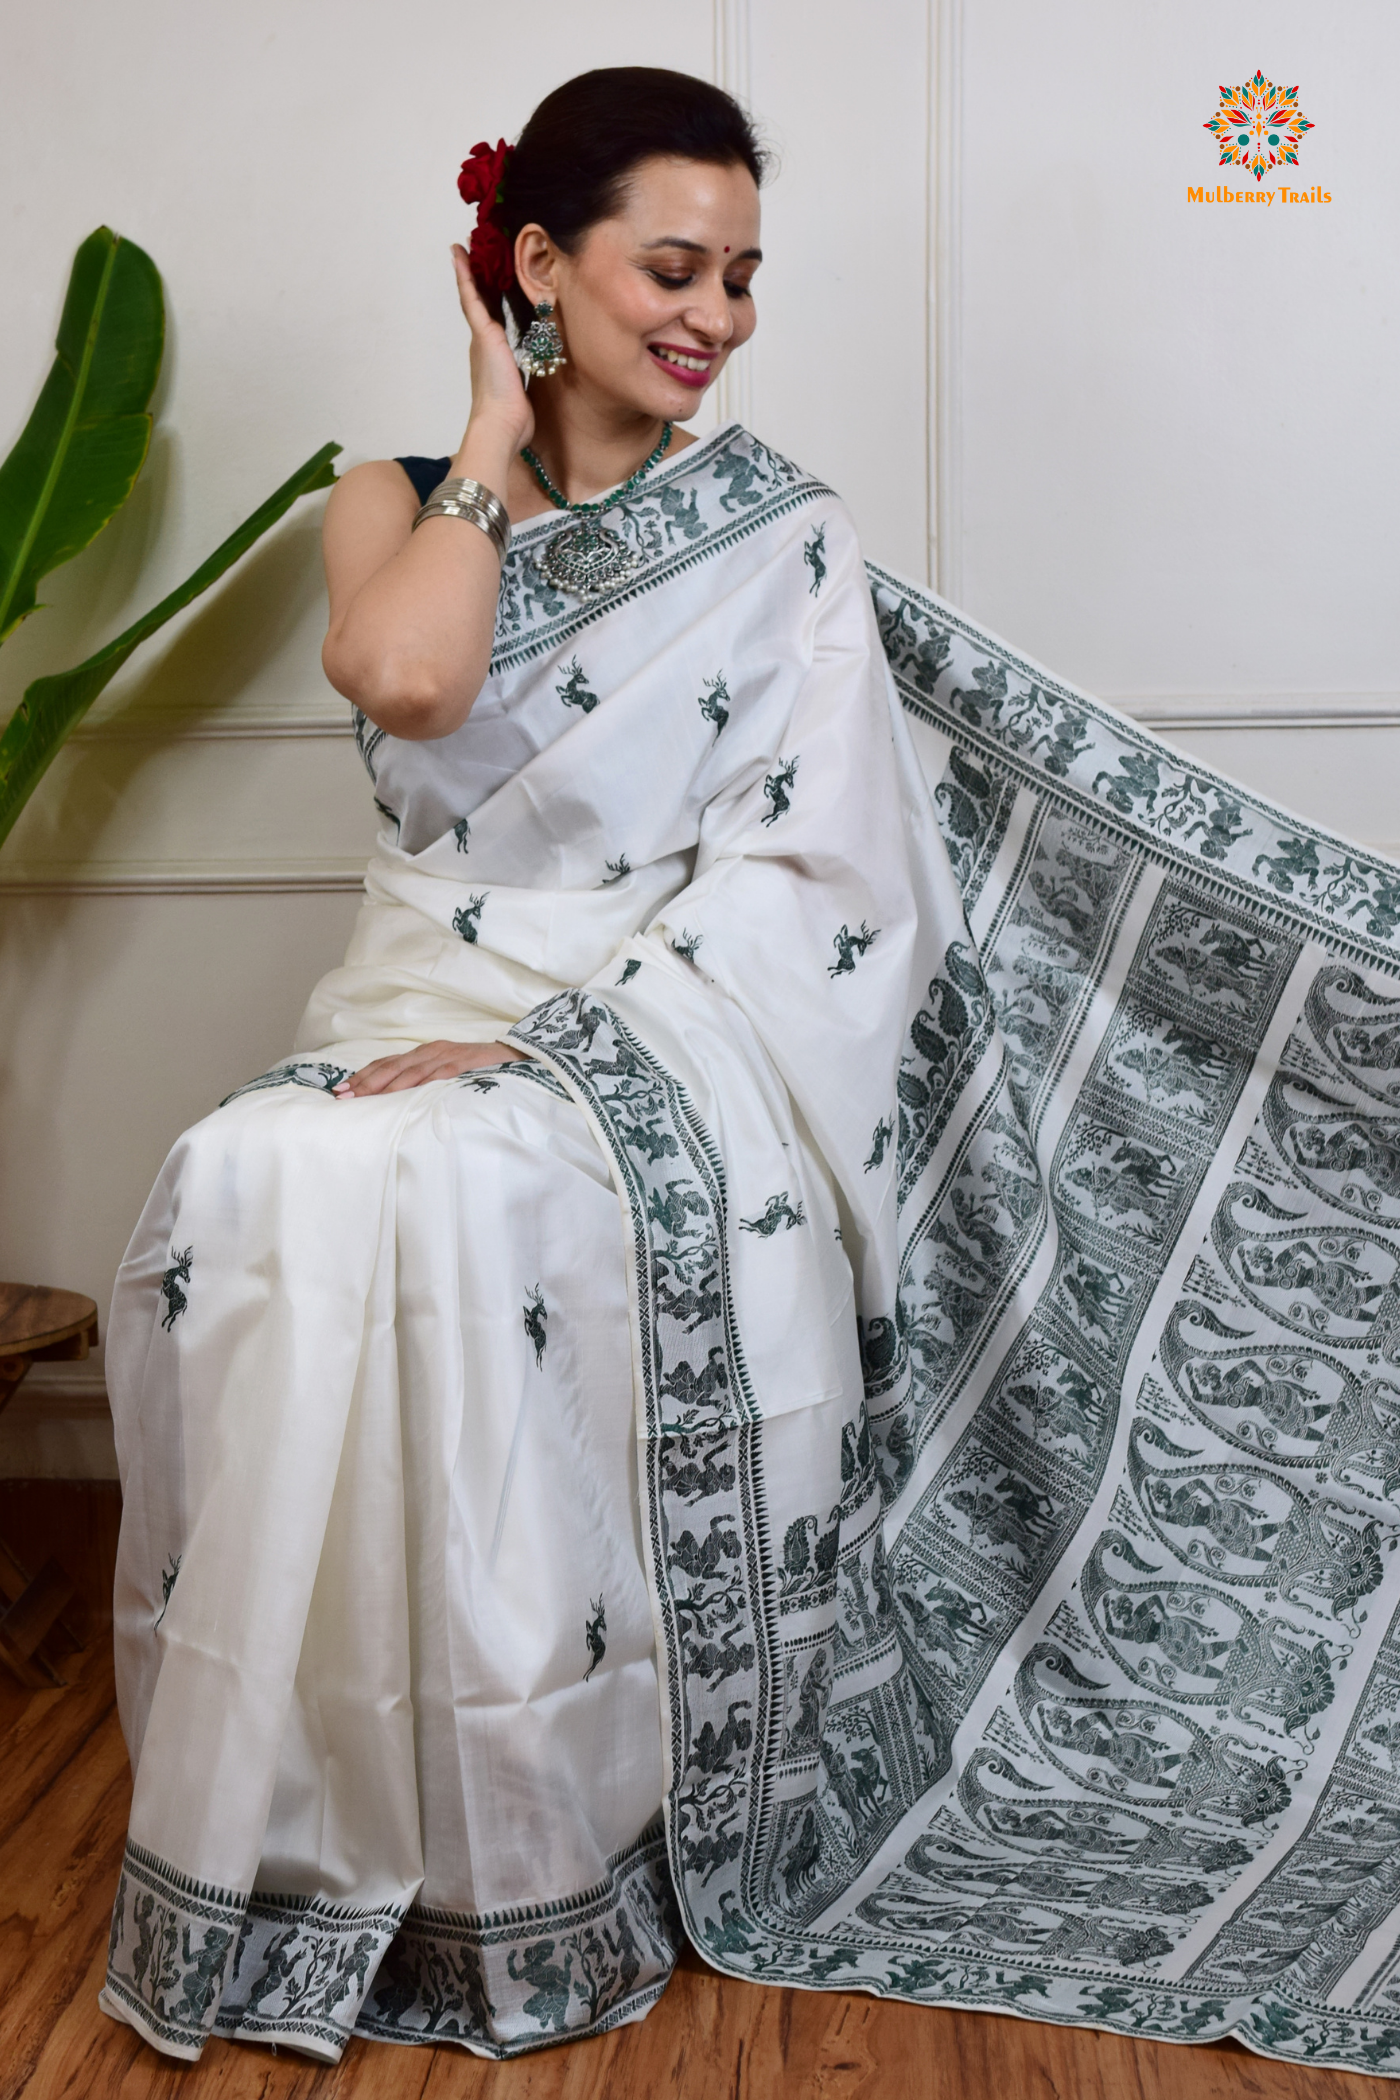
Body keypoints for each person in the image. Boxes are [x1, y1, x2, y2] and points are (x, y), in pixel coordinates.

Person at [99, 65, 956, 2062]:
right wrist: (492, 432)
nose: (717, 319)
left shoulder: (779, 543)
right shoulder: (384, 503)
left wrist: (558, 1039)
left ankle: (528, 1851)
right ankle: (287, 1852)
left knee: (453, 1186)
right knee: (258, 1173)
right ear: (537, 266)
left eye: (744, 277)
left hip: (649, 1034)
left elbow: (820, 871)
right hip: (393, 1019)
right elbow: (410, 675)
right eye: (673, 266)